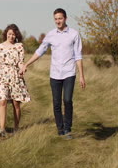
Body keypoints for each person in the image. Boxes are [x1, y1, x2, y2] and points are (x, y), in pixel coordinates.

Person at [19, 8, 85, 139]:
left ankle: (67, 128)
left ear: (65, 18)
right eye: (56, 19)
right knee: (56, 103)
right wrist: (26, 64)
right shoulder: (50, 35)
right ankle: (60, 129)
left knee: (67, 100)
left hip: (69, 73)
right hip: (55, 74)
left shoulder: (74, 34)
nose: (58, 21)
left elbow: (78, 56)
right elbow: (40, 51)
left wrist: (82, 76)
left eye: (60, 18)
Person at [0, 24, 31, 137]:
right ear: (6, 34)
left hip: (15, 76)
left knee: (16, 104)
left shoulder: (19, 46)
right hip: (2, 76)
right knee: (2, 101)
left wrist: (22, 68)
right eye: (9, 34)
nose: (11, 36)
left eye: (13, 34)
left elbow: (20, 62)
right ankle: (2, 129)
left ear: (16, 36)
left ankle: (16, 128)